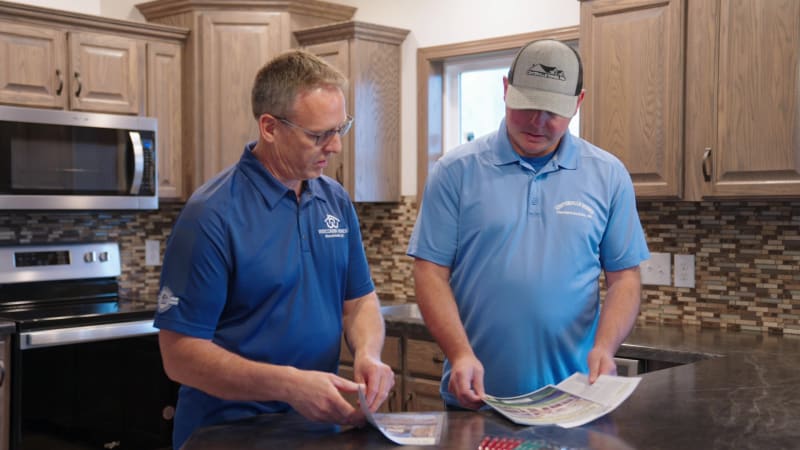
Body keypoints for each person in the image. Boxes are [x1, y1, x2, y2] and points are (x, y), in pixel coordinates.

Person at [155, 49, 395, 448]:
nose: (335, 146)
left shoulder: (334, 199)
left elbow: (359, 302)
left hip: (319, 432)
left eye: (341, 128)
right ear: (269, 127)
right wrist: (288, 385)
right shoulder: (211, 214)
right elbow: (179, 355)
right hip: (227, 435)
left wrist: (369, 354)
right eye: (319, 134)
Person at [407, 39, 650, 410]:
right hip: (477, 398)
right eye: (527, 106)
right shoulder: (454, 172)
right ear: (506, 90)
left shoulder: (608, 175)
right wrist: (458, 354)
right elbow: (429, 273)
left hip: (573, 399)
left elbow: (625, 279)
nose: (538, 122)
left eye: (553, 111)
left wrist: (604, 347)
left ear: (578, 103)